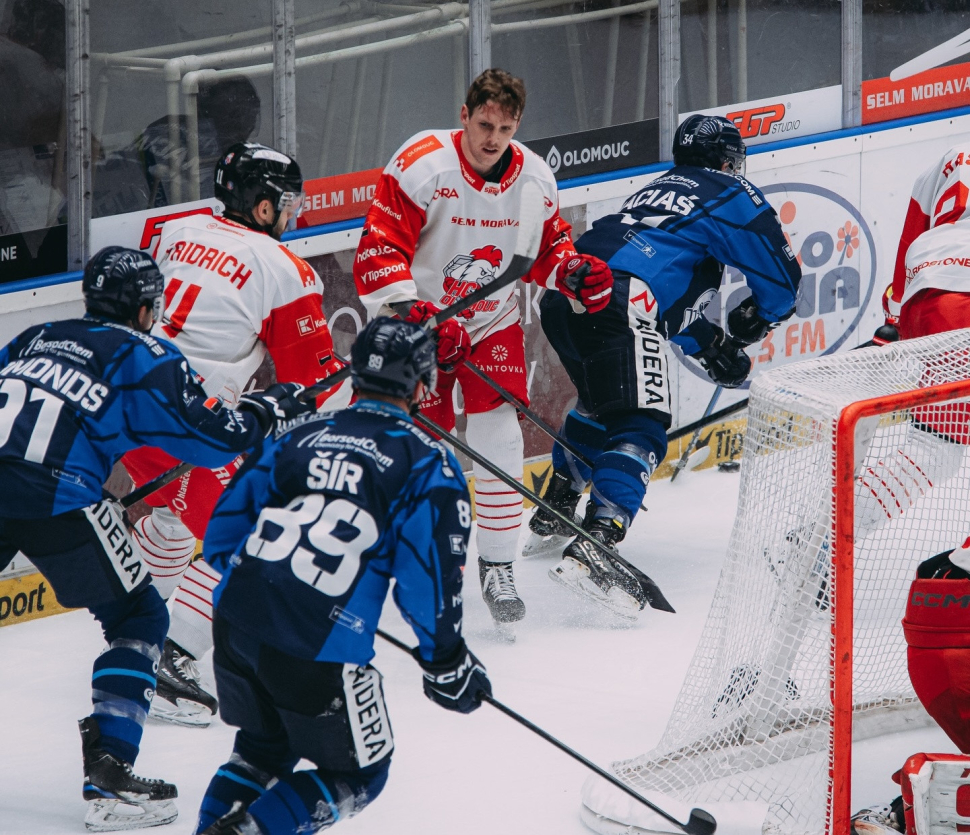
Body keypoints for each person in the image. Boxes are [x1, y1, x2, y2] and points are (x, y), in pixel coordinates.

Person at [0, 246, 310, 832]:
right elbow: (214, 439)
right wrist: (270, 410)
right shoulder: (144, 352)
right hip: (55, 493)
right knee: (139, 616)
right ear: (146, 308)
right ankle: (110, 774)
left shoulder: (36, 334)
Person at [192, 316, 492, 835]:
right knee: (361, 772)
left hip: (236, 620)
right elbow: (427, 581)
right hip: (314, 645)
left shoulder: (299, 435)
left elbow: (220, 538)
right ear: (423, 384)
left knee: (261, 750)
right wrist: (445, 659)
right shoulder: (427, 465)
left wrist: (279, 585)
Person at [352, 67, 613, 627]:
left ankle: (498, 566)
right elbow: (378, 249)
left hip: (490, 321)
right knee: (424, 448)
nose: (493, 138)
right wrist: (414, 312)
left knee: (498, 433)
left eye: (506, 127)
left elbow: (547, 250)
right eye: (484, 123)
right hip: (420, 325)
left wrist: (572, 273)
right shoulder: (423, 164)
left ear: (517, 125)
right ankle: (421, 564)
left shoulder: (535, 179)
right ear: (464, 116)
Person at [529, 114, 801, 618]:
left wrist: (709, 343)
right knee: (641, 427)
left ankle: (559, 501)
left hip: (564, 297)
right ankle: (598, 542)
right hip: (620, 299)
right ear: (727, 160)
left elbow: (661, 289)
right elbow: (783, 278)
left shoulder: (656, 191)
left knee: (605, 404)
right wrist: (759, 318)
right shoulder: (727, 188)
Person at [121, 141, 351, 727]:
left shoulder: (172, 228)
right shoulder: (284, 269)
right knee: (256, 535)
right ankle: (169, 657)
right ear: (264, 207)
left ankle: (130, 642)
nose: (293, 215)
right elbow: (314, 382)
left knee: (174, 519)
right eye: (288, 203)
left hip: (125, 405)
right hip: (189, 425)